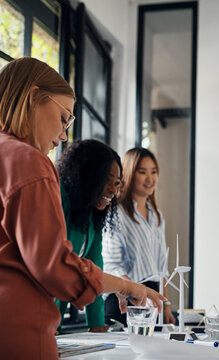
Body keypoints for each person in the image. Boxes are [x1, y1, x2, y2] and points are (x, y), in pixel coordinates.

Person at [0, 57, 165, 359]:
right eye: (64, 118)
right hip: (19, 332)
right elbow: (56, 266)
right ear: (35, 97)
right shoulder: (30, 162)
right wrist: (132, 287)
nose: (63, 134)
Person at [55, 139, 123, 333]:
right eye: (106, 179)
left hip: (54, 320)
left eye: (116, 183)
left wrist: (97, 325)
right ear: (86, 175)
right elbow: (54, 264)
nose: (112, 190)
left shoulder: (95, 215)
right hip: (34, 313)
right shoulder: (60, 198)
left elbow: (95, 266)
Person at [103, 147, 175, 325]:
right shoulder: (116, 213)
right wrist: (132, 288)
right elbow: (112, 263)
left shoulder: (157, 215)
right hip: (125, 300)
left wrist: (166, 306)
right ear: (129, 173)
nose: (150, 179)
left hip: (152, 301)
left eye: (154, 172)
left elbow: (161, 266)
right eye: (142, 172)